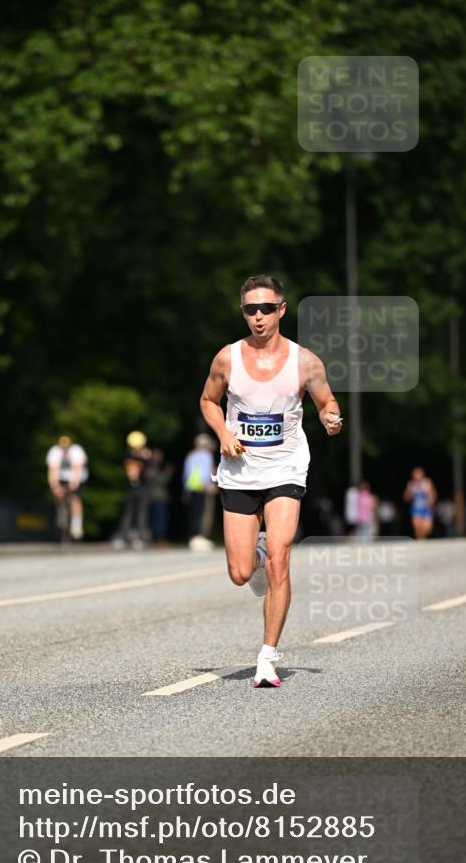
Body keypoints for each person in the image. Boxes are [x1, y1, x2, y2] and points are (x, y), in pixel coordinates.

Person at [200, 275, 343, 689]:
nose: (258, 316)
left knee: (282, 558)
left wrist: (331, 416)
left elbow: (326, 400)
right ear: (242, 311)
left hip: (285, 468)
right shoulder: (228, 358)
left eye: (266, 308)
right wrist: (224, 434)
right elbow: (208, 400)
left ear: (282, 309)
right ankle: (258, 555)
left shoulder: (306, 362)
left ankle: (267, 658)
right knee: (241, 573)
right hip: (241, 471)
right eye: (250, 309)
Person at [112, 431, 152, 548]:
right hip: (130, 488)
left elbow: (148, 470)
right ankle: (122, 537)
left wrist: (145, 457)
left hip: (143, 488)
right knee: (128, 513)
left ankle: (140, 537)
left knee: (141, 513)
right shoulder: (127, 455)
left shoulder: (146, 456)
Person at [46, 435, 88, 540]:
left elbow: (77, 469)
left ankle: (76, 525)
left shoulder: (77, 451)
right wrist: (55, 486)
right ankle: (61, 522)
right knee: (59, 497)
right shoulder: (54, 452)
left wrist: (73, 484)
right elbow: (52, 470)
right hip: (61, 477)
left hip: (78, 477)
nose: (64, 449)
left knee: (75, 499)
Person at [182, 434, 217, 550]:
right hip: (201, 487)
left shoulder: (191, 455)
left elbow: (186, 473)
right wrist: (208, 485)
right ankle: (199, 537)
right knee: (202, 513)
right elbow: (205, 472)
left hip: (191, 487)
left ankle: (194, 537)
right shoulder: (206, 455)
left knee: (194, 513)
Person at [145, 448, 173, 543]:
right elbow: (159, 480)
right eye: (157, 455)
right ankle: (157, 538)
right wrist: (167, 474)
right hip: (155, 497)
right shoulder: (151, 467)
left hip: (160, 497)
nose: (160, 457)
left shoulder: (156, 467)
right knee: (158, 519)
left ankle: (157, 537)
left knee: (159, 519)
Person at [403, 467, 437, 540]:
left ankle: (422, 538)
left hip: (426, 508)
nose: (417, 476)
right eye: (415, 474)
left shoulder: (427, 482)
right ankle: (420, 541)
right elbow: (406, 498)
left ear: (422, 474)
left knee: (427, 529)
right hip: (416, 508)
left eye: (418, 474)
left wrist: (432, 500)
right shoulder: (411, 484)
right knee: (417, 528)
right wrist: (409, 493)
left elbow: (434, 493)